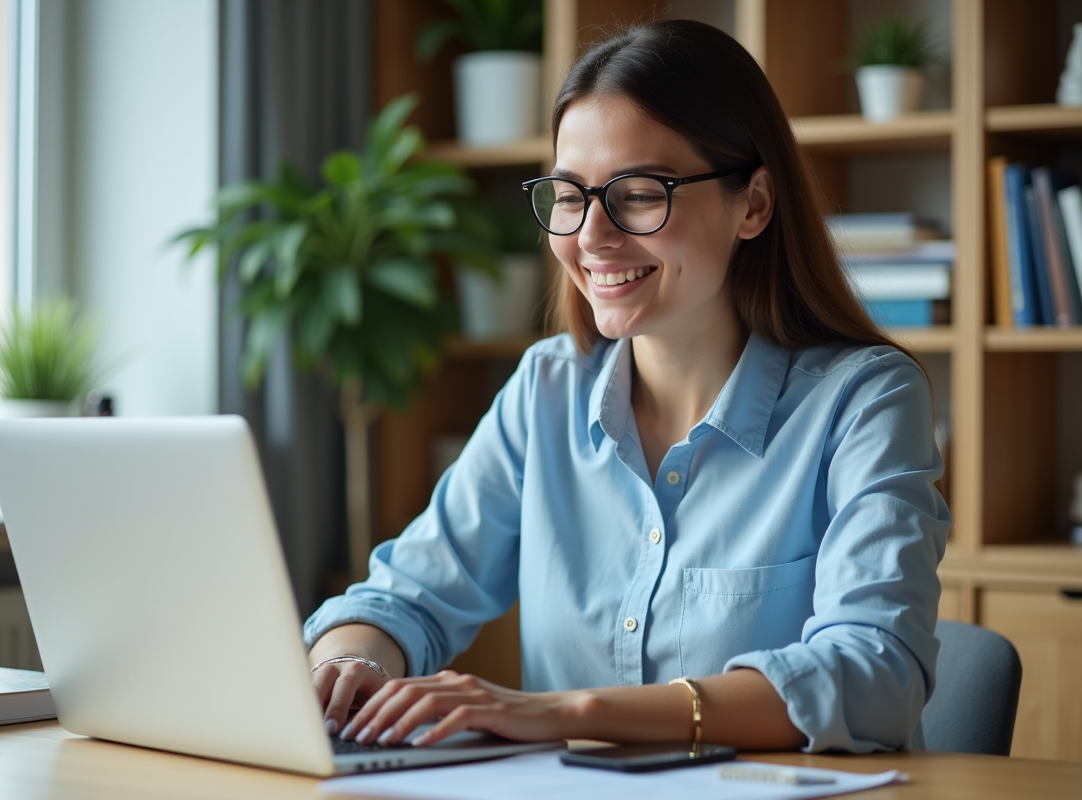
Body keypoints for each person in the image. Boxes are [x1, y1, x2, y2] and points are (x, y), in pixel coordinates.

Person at [304, 19, 950, 754]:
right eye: (569, 195)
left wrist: (572, 713)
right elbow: (404, 598)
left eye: (640, 194)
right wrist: (347, 663)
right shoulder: (546, 388)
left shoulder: (864, 401)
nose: (590, 237)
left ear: (755, 204)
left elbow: (874, 675)